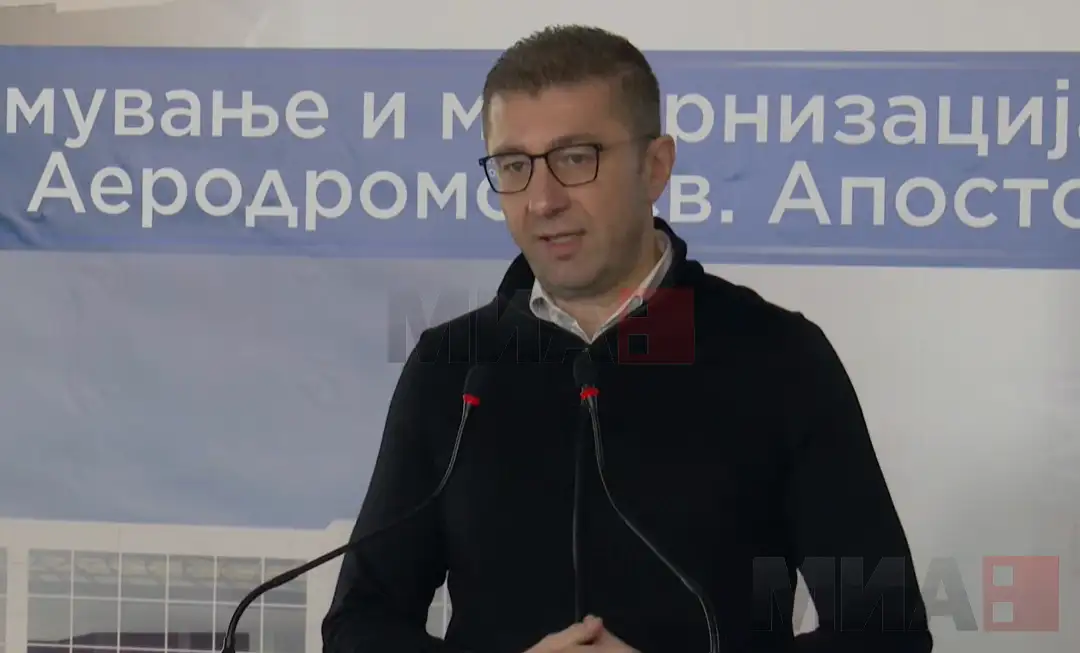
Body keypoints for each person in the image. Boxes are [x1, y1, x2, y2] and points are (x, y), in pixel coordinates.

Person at [322, 24, 933, 653]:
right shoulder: (453, 366)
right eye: (514, 166)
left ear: (655, 167)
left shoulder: (779, 356)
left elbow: (887, 632)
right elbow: (359, 623)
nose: (542, 200)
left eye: (575, 158)